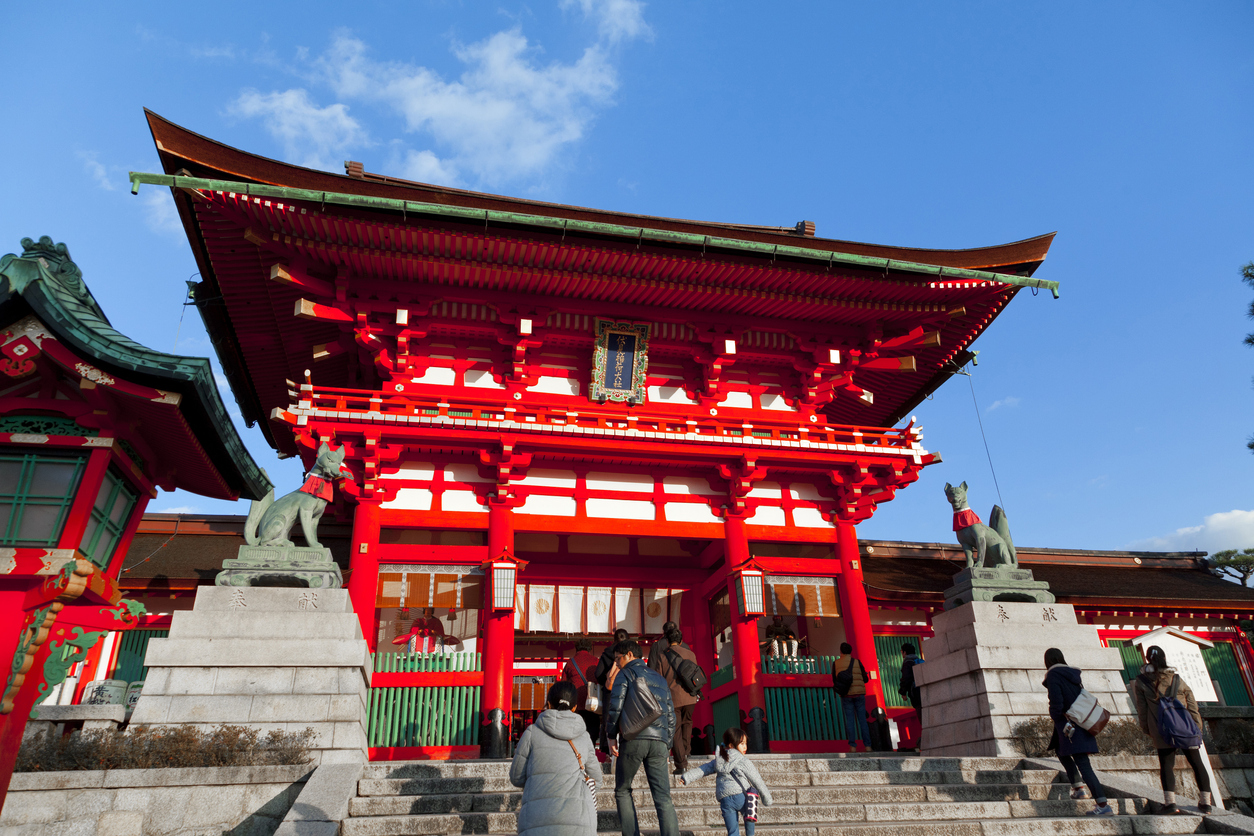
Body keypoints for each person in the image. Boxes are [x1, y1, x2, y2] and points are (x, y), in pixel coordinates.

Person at [606, 639, 679, 836]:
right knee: (663, 796)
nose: (617, 664)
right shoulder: (660, 679)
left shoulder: (625, 674)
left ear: (629, 655)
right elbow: (671, 715)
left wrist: (611, 736)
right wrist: (667, 743)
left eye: (618, 659)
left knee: (622, 789)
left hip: (634, 738)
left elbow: (615, 707)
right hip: (659, 742)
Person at [509, 681, 600, 836]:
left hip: (536, 821)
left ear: (549, 704)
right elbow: (596, 779)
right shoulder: (584, 737)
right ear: (574, 708)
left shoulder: (531, 733)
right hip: (579, 821)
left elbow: (516, 777)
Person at [1133, 645, 1214, 814]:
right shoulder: (1176, 678)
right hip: (1185, 728)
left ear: (1148, 659)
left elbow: (1142, 709)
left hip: (1161, 729)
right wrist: (1196, 726)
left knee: (1166, 765)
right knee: (1196, 763)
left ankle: (1170, 804)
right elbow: (1192, 703)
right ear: (1164, 658)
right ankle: (1206, 803)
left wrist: (1147, 729)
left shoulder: (1142, 681)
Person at [1042, 647, 1113, 816]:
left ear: (1047, 662)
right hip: (1079, 723)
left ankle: (1103, 805)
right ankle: (1078, 787)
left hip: (1070, 726)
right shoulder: (1072, 674)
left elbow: (1057, 701)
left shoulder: (1053, 676)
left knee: (1083, 765)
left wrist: (1054, 713)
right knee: (1061, 751)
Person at [679, 727, 773, 836]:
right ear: (732, 745)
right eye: (742, 744)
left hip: (725, 799)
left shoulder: (720, 759)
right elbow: (757, 780)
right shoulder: (743, 761)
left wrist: (686, 777)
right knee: (750, 820)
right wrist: (767, 798)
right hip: (742, 796)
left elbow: (703, 769)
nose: (745, 747)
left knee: (732, 832)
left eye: (745, 744)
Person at [648, 624, 700, 774]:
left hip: (673, 698)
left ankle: (681, 764)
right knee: (687, 723)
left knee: (675, 729)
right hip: (690, 696)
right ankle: (686, 751)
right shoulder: (691, 654)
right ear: (681, 639)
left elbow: (657, 678)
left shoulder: (663, 656)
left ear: (668, 640)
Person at [595, 629, 630, 755]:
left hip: (610, 692)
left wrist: (606, 680)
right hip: (627, 689)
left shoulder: (606, 654)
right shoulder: (629, 654)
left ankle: (606, 748)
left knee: (608, 718)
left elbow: (598, 674)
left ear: (614, 639)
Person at [834, 642, 871, 751]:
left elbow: (835, 680)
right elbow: (865, 679)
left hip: (846, 695)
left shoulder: (836, 663)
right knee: (862, 720)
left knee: (850, 720)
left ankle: (852, 746)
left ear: (841, 651)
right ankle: (868, 746)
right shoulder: (857, 662)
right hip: (859, 694)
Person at [563, 638, 601, 743]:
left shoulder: (570, 663)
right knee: (592, 733)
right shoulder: (596, 661)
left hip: (576, 705)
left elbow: (564, 685)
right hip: (592, 704)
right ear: (589, 648)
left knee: (576, 735)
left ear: (576, 648)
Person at [897, 643, 923, 712]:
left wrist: (903, 692)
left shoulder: (907, 662)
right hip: (924, 689)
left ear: (905, 652)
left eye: (902, 651)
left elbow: (906, 678)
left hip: (915, 692)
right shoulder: (919, 661)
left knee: (920, 712)